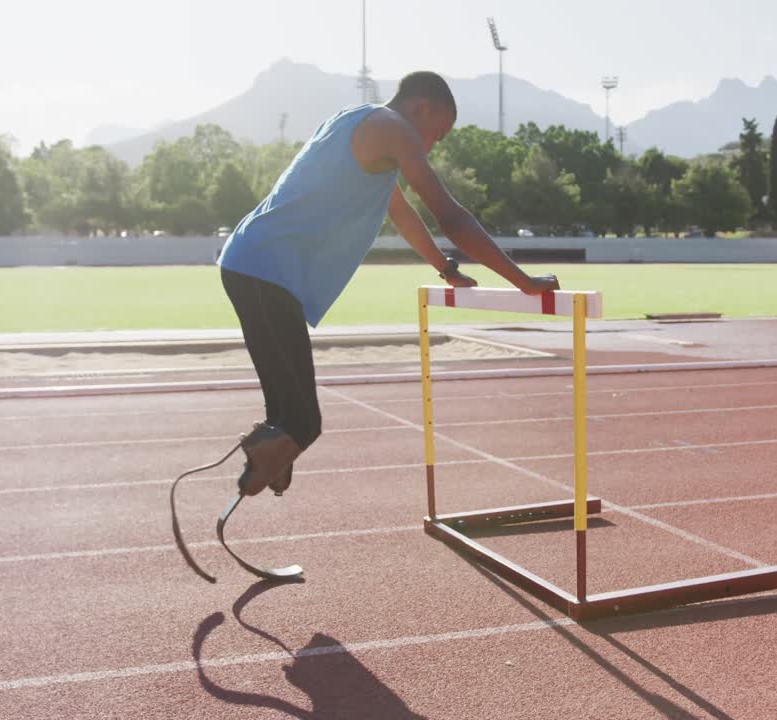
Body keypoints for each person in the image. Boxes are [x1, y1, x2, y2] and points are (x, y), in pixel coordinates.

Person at [217, 71, 559, 497]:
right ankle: (266, 457)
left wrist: (443, 267)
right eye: (438, 133)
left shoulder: (358, 122)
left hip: (246, 264)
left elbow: (401, 213)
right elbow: (450, 215)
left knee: (286, 415)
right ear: (422, 109)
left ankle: (274, 453)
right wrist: (522, 280)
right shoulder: (394, 130)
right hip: (267, 273)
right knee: (305, 423)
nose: (431, 146)